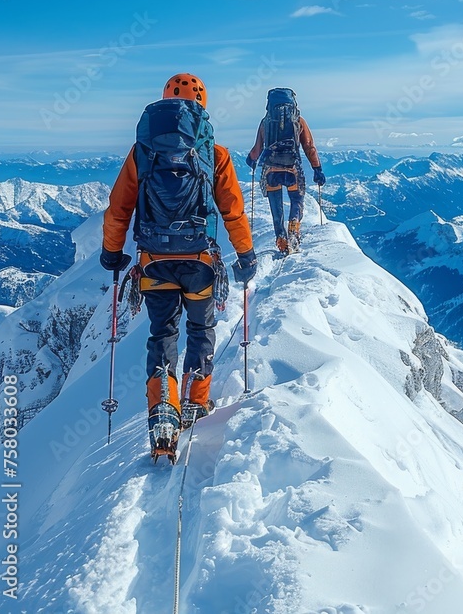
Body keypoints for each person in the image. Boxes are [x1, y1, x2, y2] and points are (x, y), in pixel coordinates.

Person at [100, 73, 258, 458]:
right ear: (202, 107)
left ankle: (162, 408)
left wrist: (111, 252)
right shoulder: (214, 154)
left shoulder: (141, 152)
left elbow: (119, 207)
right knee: (201, 330)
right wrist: (246, 255)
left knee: (162, 334)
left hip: (153, 264)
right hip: (200, 262)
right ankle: (197, 399)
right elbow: (232, 210)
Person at [245, 88, 325, 254]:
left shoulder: (265, 122)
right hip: (293, 169)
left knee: (276, 207)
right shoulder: (299, 121)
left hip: (270, 170)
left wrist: (251, 160)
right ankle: (294, 232)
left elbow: (257, 149)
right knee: (296, 201)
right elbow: (309, 147)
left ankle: (281, 239)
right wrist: (317, 169)